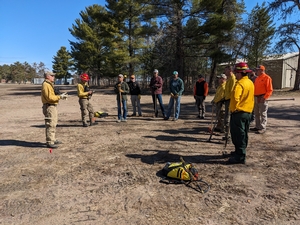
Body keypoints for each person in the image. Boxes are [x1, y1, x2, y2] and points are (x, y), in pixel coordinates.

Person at [227, 62, 254, 164]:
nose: (235, 75)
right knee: (244, 134)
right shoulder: (250, 83)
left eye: (236, 73)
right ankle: (239, 151)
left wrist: (233, 109)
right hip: (248, 112)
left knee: (238, 135)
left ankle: (240, 156)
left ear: (239, 73)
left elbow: (235, 98)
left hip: (238, 113)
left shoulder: (239, 84)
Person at [41, 71, 67, 148]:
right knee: (50, 124)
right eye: (52, 76)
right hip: (49, 106)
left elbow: (52, 95)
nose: (53, 77)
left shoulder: (49, 84)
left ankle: (53, 139)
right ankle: (49, 141)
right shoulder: (46, 85)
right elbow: (50, 98)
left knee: (54, 123)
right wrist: (60, 97)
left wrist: (58, 95)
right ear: (47, 76)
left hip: (52, 106)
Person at [250, 65, 273, 134]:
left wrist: (264, 98)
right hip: (256, 97)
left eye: (257, 70)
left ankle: (263, 127)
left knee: (263, 113)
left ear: (262, 70)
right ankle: (257, 126)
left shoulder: (267, 78)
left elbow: (270, 90)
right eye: (256, 70)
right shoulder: (257, 78)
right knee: (256, 113)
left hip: (262, 98)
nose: (256, 71)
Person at [223, 65, 237, 138]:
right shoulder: (228, 79)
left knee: (228, 118)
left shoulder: (233, 79)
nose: (225, 72)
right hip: (227, 99)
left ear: (230, 70)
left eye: (226, 70)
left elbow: (232, 92)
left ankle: (228, 135)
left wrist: (227, 98)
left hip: (230, 100)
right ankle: (226, 134)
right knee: (226, 118)